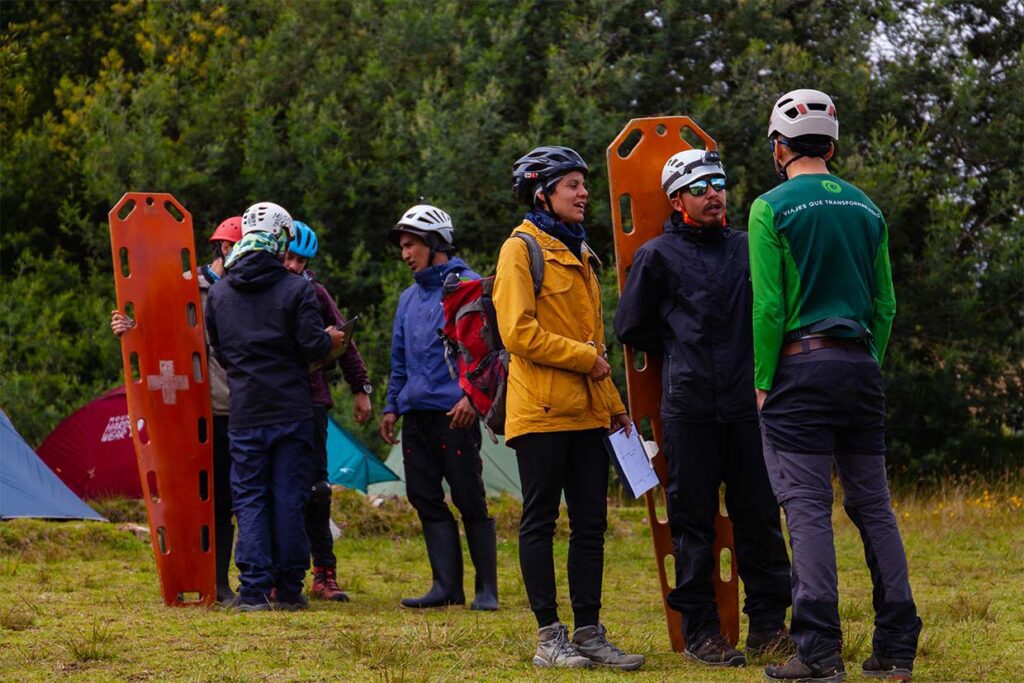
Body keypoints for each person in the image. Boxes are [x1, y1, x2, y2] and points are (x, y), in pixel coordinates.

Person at [749, 89, 922, 681]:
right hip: (860, 368)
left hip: (799, 367)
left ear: (780, 147)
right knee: (874, 507)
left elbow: (770, 307)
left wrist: (764, 380)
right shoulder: (868, 208)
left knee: (807, 508)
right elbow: (887, 304)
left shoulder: (770, 208)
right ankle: (897, 648)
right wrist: (867, 360)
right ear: (831, 144)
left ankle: (819, 653)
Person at [614, 149, 793, 667]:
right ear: (677, 200)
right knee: (692, 522)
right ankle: (703, 633)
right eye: (700, 186)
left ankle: (767, 626)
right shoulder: (657, 256)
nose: (713, 192)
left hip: (747, 405)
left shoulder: (748, 248)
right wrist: (681, 350)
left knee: (759, 517)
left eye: (718, 181)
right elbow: (631, 327)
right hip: (689, 408)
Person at [492, 145, 644, 671]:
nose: (584, 193)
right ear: (542, 192)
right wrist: (585, 360)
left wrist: (616, 405)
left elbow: (595, 343)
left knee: (591, 524)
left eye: (583, 183)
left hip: (588, 413)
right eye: (572, 185)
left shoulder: (581, 251)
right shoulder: (520, 249)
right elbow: (517, 332)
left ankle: (588, 633)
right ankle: (547, 638)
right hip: (539, 413)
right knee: (539, 522)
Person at [205, 201, 343, 612]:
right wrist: (330, 339)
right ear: (280, 238)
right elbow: (311, 346)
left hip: (245, 411)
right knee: (289, 496)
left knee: (249, 497)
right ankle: (288, 590)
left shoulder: (220, 291)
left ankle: (252, 590)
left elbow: (220, 351)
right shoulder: (297, 288)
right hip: (292, 409)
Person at [110, 215, 243, 604]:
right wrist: (128, 326)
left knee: (226, 501)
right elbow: (153, 322)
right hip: (187, 408)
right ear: (224, 248)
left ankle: (220, 582)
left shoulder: (245, 291)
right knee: (192, 498)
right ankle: (192, 577)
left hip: (229, 407)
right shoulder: (185, 286)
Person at [378, 203, 498, 612]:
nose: (405, 253)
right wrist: (391, 407)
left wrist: (472, 397)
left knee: (469, 498)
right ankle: (446, 587)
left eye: (411, 245)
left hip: (456, 411)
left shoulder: (470, 286)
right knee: (423, 495)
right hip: (416, 415)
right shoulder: (408, 298)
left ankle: (487, 590)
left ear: (434, 243)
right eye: (403, 246)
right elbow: (400, 359)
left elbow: (487, 353)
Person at [283, 220, 373, 603]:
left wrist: (361, 388)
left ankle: (324, 573)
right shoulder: (261, 292)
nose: (292, 266)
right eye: (288, 256)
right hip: (273, 401)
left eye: (300, 260)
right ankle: (279, 573)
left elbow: (344, 339)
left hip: (312, 400)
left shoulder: (315, 293)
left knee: (318, 488)